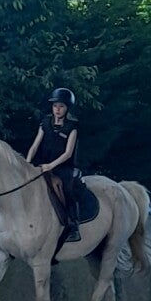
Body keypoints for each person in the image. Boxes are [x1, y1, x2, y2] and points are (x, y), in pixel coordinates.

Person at [28, 87, 89, 246]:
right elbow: (34, 146)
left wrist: (51, 165)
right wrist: (27, 163)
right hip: (43, 165)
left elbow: (68, 153)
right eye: (55, 106)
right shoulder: (45, 123)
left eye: (61, 106)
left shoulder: (72, 127)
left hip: (63, 167)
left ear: (67, 108)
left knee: (67, 188)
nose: (57, 109)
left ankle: (73, 224)